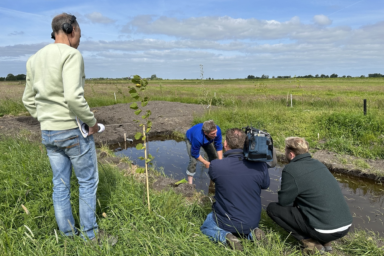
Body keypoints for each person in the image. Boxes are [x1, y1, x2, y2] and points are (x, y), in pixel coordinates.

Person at [22, 13, 115, 244]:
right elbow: (74, 97)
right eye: (80, 34)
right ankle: (90, 236)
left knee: (60, 184)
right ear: (70, 29)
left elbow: (28, 100)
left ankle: (67, 236)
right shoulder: (72, 55)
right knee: (87, 182)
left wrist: (44, 118)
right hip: (72, 131)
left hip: (48, 132)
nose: (80, 39)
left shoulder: (33, 59)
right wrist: (92, 123)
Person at [267, 137, 352, 254]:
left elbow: (284, 202)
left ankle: (310, 242)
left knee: (273, 209)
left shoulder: (291, 169)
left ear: (291, 154)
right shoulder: (318, 164)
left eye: (285, 151)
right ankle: (326, 241)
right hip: (345, 226)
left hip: (325, 230)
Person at [200, 128, 270, 251]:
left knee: (207, 226)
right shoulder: (261, 165)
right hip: (252, 221)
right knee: (247, 225)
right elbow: (265, 185)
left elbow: (216, 180)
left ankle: (225, 236)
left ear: (225, 144)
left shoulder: (216, 166)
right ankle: (253, 233)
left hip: (225, 221)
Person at [185, 120, 223, 184]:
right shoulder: (197, 138)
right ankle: (190, 184)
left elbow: (218, 146)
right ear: (205, 133)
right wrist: (205, 162)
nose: (216, 135)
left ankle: (213, 176)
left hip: (206, 139)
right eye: (213, 134)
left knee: (213, 156)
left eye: (216, 132)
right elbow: (195, 153)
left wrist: (220, 161)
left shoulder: (217, 130)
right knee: (193, 161)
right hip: (191, 138)